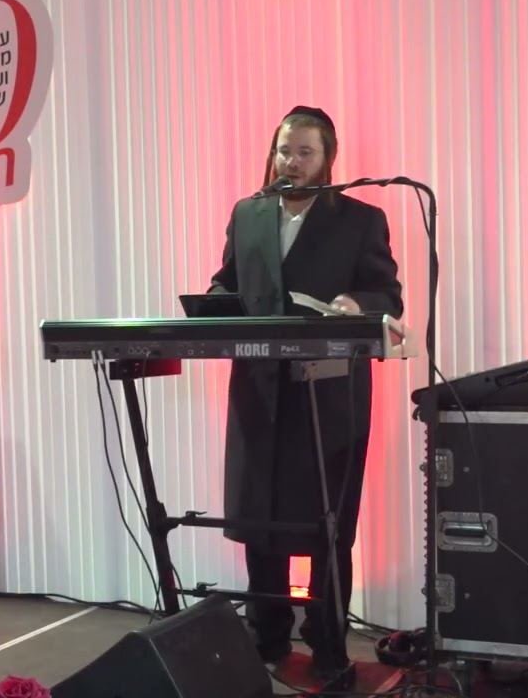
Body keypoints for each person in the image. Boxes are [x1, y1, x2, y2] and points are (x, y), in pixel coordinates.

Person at [208, 106, 403, 685]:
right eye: (284, 150)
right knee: (259, 517)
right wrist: (210, 304)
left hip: (328, 396)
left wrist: (355, 305)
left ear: (327, 160)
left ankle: (327, 644)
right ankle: (266, 636)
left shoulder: (361, 220)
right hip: (259, 392)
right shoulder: (247, 214)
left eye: (304, 153)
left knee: (326, 524)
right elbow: (227, 283)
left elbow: (387, 295)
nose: (290, 162)